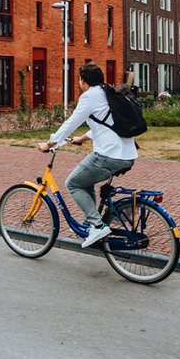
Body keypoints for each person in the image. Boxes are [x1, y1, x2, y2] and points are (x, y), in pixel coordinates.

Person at [38, 63, 138, 248]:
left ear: (82, 81)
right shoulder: (108, 92)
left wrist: (51, 143)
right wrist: (83, 138)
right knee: (87, 181)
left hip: (109, 155)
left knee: (73, 183)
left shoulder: (89, 97)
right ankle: (90, 224)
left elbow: (71, 122)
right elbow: (107, 123)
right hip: (128, 154)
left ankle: (97, 225)